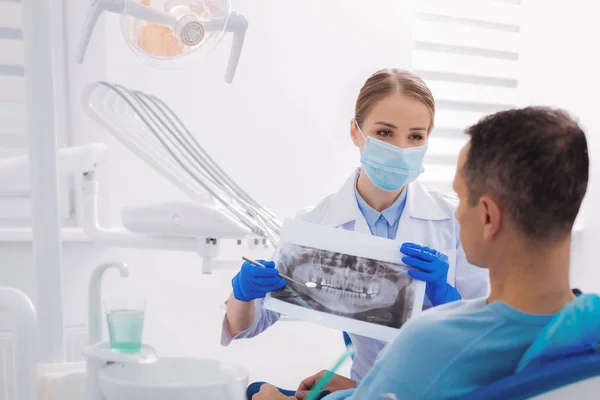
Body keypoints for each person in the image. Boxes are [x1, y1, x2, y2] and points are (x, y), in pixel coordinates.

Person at [252, 106, 590, 399]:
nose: (456, 213)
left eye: (461, 196)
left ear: (487, 217)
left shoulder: (428, 343)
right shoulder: (587, 329)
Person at [222, 69, 490, 395]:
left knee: (262, 393)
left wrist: (447, 299)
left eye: (415, 136)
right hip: (368, 388)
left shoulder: (455, 220)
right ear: (356, 132)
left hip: (442, 390)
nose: (401, 148)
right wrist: (243, 294)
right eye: (385, 132)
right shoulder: (317, 225)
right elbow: (246, 325)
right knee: (256, 390)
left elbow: (486, 334)